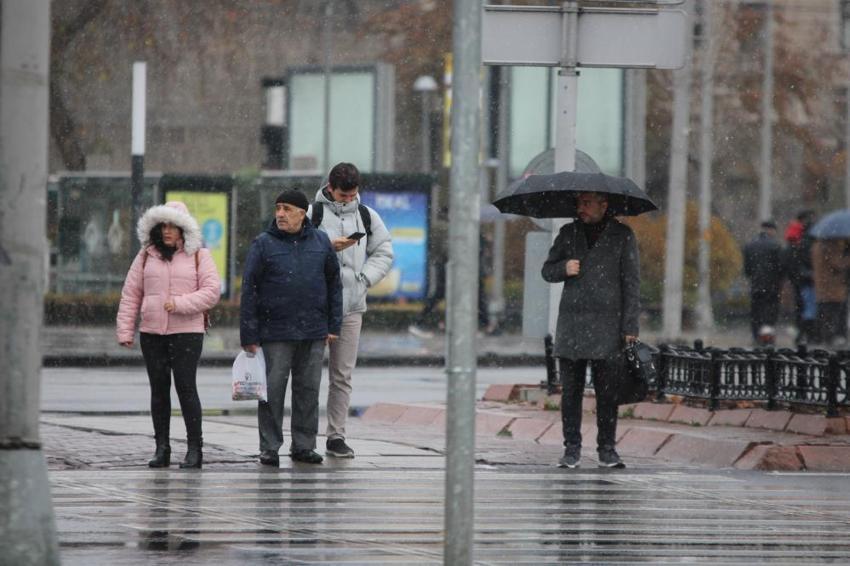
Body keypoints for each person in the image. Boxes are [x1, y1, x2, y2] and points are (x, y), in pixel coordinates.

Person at [240, 189, 342, 466]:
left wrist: (334, 324)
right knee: (272, 391)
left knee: (308, 391)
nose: (281, 214)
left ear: (302, 213)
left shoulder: (321, 241)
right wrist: (249, 334)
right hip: (275, 332)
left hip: (313, 331)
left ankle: (304, 445)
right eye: (278, 208)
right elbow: (249, 290)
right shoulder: (263, 244)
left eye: (286, 209)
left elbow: (334, 284)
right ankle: (270, 447)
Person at [116, 201, 221, 469]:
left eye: (173, 226)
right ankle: (161, 448)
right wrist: (125, 330)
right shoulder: (145, 256)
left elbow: (212, 291)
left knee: (186, 388)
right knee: (159, 391)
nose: (167, 231)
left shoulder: (200, 255)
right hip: (152, 333)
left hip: (187, 332)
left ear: (184, 229)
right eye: (163, 225)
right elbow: (131, 294)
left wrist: (180, 303)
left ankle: (194, 448)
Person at [542, 192, 640, 469]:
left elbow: (632, 284)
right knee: (571, 391)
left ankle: (607, 449)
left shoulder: (623, 236)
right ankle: (571, 449)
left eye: (587, 203)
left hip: (608, 326)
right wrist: (564, 267)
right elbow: (547, 271)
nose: (581, 208)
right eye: (578, 203)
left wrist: (630, 326)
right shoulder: (568, 233)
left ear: (603, 205)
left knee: (607, 393)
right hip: (572, 326)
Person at [309, 162, 393, 458]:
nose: (348, 199)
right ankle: (304, 437)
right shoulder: (312, 214)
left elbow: (384, 251)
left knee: (342, 376)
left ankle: (336, 435)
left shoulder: (367, 215)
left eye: (352, 194)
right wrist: (328, 248)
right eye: (343, 195)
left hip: (352, 306)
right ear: (330, 188)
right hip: (315, 307)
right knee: (307, 375)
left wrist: (364, 278)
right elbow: (298, 249)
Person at [742, 220, 784, 345]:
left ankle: (756, 336)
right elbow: (781, 267)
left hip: (756, 284)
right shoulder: (776, 246)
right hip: (772, 285)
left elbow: (747, 268)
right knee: (770, 311)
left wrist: (753, 277)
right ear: (772, 230)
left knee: (756, 311)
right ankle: (767, 336)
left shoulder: (750, 245)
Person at [784, 211, 816, 345]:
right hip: (809, 281)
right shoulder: (811, 244)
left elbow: (790, 263)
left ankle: (801, 333)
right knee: (809, 308)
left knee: (802, 307)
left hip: (799, 280)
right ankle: (807, 334)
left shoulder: (796, 243)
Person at [812, 236, 850, 347]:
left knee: (825, 313)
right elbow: (838, 264)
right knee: (834, 314)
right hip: (833, 287)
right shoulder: (829, 247)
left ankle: (822, 337)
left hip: (822, 286)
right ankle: (831, 338)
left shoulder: (817, 246)